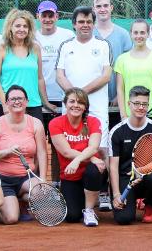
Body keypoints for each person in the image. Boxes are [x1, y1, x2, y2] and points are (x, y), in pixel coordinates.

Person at [56, 6, 113, 211]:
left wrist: (80, 94)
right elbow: (59, 75)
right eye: (81, 21)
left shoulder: (103, 45)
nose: (85, 25)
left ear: (93, 23)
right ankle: (67, 189)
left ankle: (104, 193)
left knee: (101, 150)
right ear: (74, 24)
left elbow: (106, 75)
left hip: (96, 109)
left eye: (89, 21)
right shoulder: (65, 46)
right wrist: (75, 98)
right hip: (71, 111)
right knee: (68, 149)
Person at [0, 85, 47, 224]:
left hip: (26, 177)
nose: (17, 102)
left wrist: (42, 179)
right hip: (3, 180)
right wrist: (6, 151)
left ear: (26, 101)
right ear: (6, 103)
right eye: (12, 99)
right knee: (12, 218)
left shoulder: (36, 123)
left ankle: (21, 201)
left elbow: (42, 153)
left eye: (20, 98)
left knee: (41, 195)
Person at [109, 86, 152, 224]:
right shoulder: (117, 131)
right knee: (124, 219)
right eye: (137, 103)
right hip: (125, 178)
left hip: (146, 176)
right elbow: (113, 166)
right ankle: (130, 201)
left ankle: (150, 206)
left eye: (144, 104)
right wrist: (117, 194)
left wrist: (139, 172)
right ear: (129, 104)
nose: (141, 107)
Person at [49, 87, 106, 226]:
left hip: (92, 172)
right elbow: (66, 152)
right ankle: (82, 202)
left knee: (93, 170)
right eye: (72, 101)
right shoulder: (55, 123)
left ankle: (89, 210)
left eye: (80, 102)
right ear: (65, 104)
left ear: (85, 106)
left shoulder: (93, 121)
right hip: (70, 175)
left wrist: (79, 160)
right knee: (72, 216)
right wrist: (91, 157)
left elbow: (93, 147)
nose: (76, 105)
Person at [34, 0, 74, 184]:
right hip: (37, 102)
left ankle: (59, 184)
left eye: (51, 15)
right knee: (36, 145)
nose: (48, 19)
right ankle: (36, 184)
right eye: (44, 15)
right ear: (38, 17)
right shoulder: (31, 37)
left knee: (60, 146)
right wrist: (43, 101)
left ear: (57, 17)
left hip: (63, 101)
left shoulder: (68, 36)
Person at [0, 9, 56, 121]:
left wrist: (46, 102)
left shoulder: (35, 49)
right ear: (10, 27)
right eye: (18, 26)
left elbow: (39, 78)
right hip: (9, 106)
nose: (22, 29)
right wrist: (5, 104)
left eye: (25, 26)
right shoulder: (1, 49)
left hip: (32, 105)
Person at [114, 19, 152, 119]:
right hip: (131, 116)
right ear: (130, 34)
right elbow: (120, 89)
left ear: (148, 34)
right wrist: (123, 115)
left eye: (142, 32)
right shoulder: (121, 60)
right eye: (135, 32)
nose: (138, 36)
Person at [93, 0, 133, 105]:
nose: (102, 9)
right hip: (93, 97)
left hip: (118, 98)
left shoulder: (123, 34)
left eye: (105, 6)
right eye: (98, 6)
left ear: (111, 8)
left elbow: (129, 68)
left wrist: (121, 94)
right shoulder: (88, 34)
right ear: (93, 9)